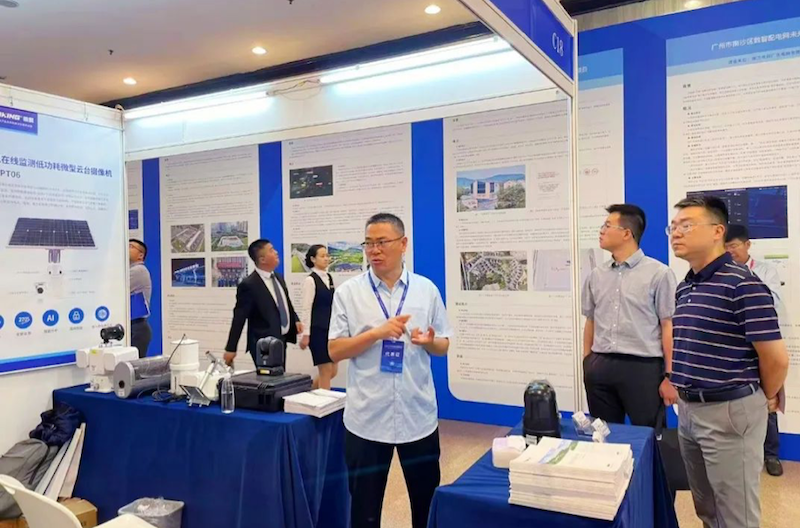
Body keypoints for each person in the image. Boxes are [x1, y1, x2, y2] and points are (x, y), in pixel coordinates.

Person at [668, 196, 789, 528]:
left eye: (687, 225)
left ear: (717, 231)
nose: (676, 232)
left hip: (729, 413)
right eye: (673, 227)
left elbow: (776, 359)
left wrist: (762, 398)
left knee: (736, 516)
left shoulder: (743, 284)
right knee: (706, 508)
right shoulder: (686, 287)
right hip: (689, 410)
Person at [328, 213, 452, 528]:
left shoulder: (426, 290)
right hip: (367, 419)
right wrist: (376, 334)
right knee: (364, 510)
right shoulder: (348, 293)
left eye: (382, 242)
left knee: (426, 505)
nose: (374, 250)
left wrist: (430, 342)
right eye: (368, 243)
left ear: (403, 244)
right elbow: (335, 350)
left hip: (417, 415)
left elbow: (444, 345)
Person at [582, 204, 678, 427]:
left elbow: (668, 326)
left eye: (607, 225)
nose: (601, 231)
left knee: (649, 434)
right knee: (603, 434)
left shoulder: (659, 274)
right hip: (600, 365)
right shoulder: (596, 275)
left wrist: (670, 376)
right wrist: (588, 362)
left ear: (627, 233)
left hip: (642, 367)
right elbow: (591, 320)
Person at [725, 223, 784, 477]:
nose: (730, 251)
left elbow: (774, 301)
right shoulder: (721, 273)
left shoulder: (765, 271)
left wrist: (745, 279)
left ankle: (771, 454)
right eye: (726, 247)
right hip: (734, 347)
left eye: (734, 246)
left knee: (768, 397)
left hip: (762, 344)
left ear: (747, 245)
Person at [224, 239, 302, 368]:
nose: (276, 252)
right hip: (263, 345)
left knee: (280, 376)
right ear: (262, 259)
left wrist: (296, 319)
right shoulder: (249, 285)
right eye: (271, 250)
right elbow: (239, 318)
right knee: (270, 379)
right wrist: (231, 348)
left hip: (280, 340)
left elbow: (285, 302)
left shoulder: (278, 278)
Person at [298, 244, 338, 390]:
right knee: (325, 370)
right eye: (322, 256)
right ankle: (325, 402)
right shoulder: (310, 280)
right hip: (317, 330)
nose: (326, 258)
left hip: (330, 330)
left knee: (333, 371)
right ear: (313, 259)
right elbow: (306, 308)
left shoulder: (329, 277)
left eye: (327, 255)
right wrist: (305, 334)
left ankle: (309, 391)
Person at [129, 238, 152, 358]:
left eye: (131, 246)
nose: (126, 249)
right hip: (133, 327)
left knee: (132, 366)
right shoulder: (129, 270)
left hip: (136, 328)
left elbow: (115, 291)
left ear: (140, 255)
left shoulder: (138, 270)